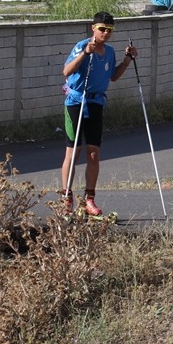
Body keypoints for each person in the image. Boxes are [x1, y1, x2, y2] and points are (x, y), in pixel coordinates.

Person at [59, 12, 136, 216]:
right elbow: (66, 71)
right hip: (76, 102)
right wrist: (85, 53)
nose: (106, 33)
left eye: (109, 30)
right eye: (102, 29)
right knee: (72, 152)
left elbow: (113, 77)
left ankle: (89, 199)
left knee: (93, 153)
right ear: (93, 28)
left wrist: (128, 60)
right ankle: (66, 198)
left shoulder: (109, 52)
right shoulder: (82, 46)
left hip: (95, 103)